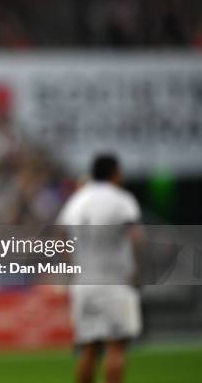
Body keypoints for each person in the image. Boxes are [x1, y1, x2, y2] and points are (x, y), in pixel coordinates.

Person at [57, 154, 143, 383]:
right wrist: (137, 270)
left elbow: (62, 238)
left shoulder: (75, 201)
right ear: (114, 173)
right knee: (116, 347)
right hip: (115, 282)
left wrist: (71, 272)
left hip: (83, 284)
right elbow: (135, 236)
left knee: (89, 349)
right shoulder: (121, 199)